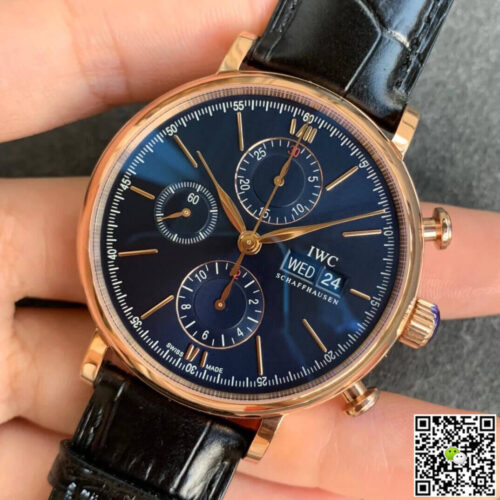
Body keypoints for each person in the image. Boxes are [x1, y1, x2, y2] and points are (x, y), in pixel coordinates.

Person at [0, 1, 498, 498]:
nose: (250, 241)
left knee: (469, 464)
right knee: (469, 467)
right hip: (171, 358)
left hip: (212, 387)